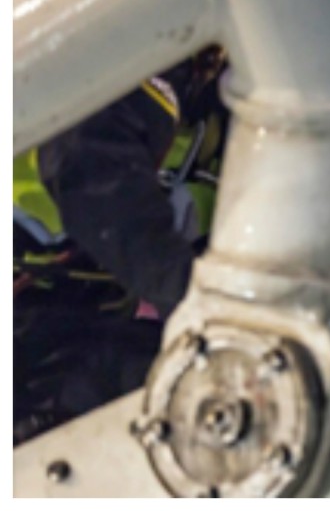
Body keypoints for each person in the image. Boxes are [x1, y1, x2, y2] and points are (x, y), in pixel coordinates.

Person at [12, 45, 229, 444]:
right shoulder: (159, 37)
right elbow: (90, 162)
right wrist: (209, 309)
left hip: (75, 314)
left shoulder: (247, 121)